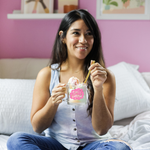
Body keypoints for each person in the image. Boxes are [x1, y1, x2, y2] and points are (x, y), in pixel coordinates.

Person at [7, 9, 132, 150]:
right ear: (63, 37)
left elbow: (102, 130)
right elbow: (37, 127)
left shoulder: (105, 77)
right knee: (16, 140)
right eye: (76, 33)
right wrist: (52, 102)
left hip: (92, 145)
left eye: (89, 34)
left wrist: (98, 88)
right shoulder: (47, 74)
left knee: (120, 148)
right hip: (57, 144)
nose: (83, 40)